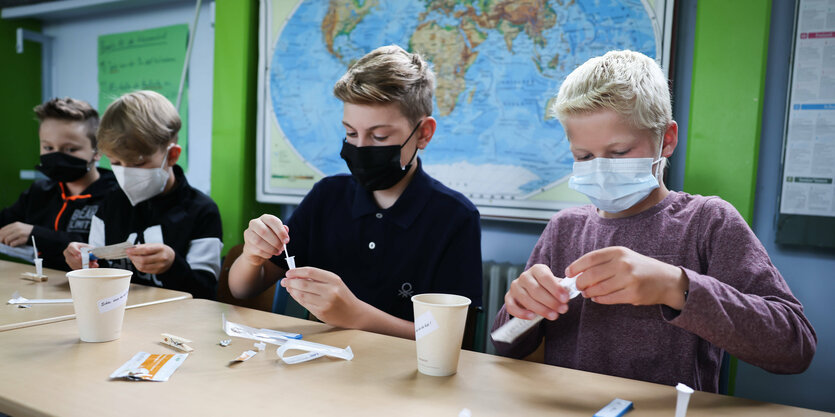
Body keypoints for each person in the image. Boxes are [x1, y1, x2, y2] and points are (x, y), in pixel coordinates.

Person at [491, 50, 816, 392]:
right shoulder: (564, 229)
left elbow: (794, 346)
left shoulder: (707, 223)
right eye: (583, 156)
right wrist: (520, 309)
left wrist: (676, 286)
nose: (600, 168)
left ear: (667, 140)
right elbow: (507, 345)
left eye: (619, 153)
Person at [228, 45, 482, 339]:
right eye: (350, 133)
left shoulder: (454, 217)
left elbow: (454, 336)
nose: (359, 147)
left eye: (379, 136)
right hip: (320, 368)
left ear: (423, 133)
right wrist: (252, 256)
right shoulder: (326, 197)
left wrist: (356, 315)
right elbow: (242, 288)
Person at [63, 90, 222, 299]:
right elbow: (97, 276)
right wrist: (82, 262)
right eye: (116, 163)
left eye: (138, 163)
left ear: (172, 155)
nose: (126, 174)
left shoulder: (201, 211)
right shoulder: (110, 204)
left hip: (176, 324)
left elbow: (206, 294)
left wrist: (173, 266)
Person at [0, 97, 117, 270]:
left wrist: (36, 234)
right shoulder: (39, 191)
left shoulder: (116, 194)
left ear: (97, 151)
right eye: (48, 148)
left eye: (70, 149)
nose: (56, 156)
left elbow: (106, 248)